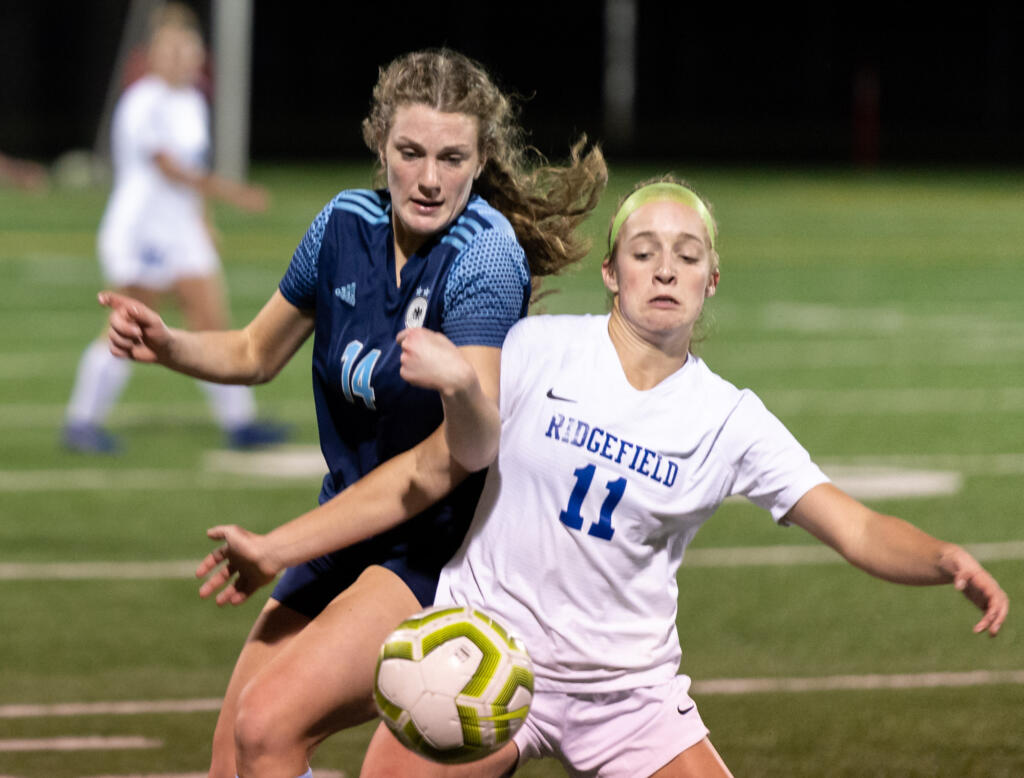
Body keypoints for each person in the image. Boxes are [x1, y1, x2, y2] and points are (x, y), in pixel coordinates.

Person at [194, 177, 1008, 778]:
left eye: (687, 255)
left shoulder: (729, 418)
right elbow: (432, 464)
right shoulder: (536, 352)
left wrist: (942, 559)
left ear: (710, 281)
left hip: (625, 689)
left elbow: (855, 524)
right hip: (483, 652)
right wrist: (285, 543)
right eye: (644, 253)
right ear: (613, 274)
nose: (665, 268)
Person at [104, 48, 607, 778]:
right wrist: (168, 343)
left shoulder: (486, 257)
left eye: (451, 157)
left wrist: (279, 547)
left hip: (437, 549)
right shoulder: (342, 225)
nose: (429, 179)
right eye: (410, 152)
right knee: (235, 758)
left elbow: (456, 457)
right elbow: (253, 352)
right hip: (350, 522)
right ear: (381, 145)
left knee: (267, 727)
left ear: (480, 159)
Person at [63, 2, 284, 453]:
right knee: (128, 326)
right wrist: (234, 193)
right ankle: (82, 421)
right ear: (154, 54)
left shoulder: (191, 101)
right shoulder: (142, 101)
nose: (184, 58)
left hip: (180, 231)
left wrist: (204, 219)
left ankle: (240, 423)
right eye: (173, 50)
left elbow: (191, 170)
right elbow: (168, 168)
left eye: (190, 49)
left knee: (213, 325)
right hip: (142, 230)